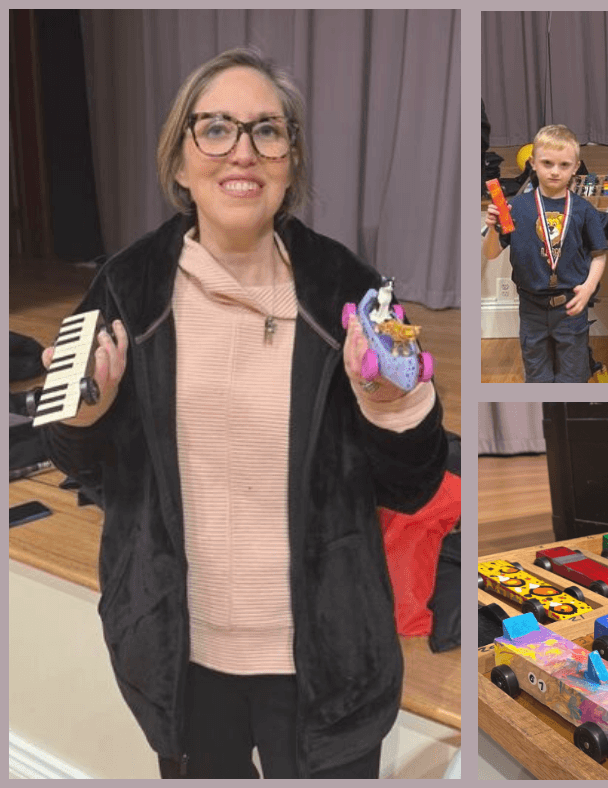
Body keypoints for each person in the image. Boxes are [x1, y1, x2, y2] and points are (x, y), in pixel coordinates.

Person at [40, 47, 448, 779]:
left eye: (268, 130)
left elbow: (415, 483)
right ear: (180, 160)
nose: (244, 151)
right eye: (217, 128)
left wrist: (397, 403)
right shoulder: (127, 286)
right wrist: (85, 413)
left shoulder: (348, 288)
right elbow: (73, 456)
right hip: (179, 658)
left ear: (290, 160)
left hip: (330, 666)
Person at [482, 124, 607, 382]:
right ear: (533, 163)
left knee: (573, 378)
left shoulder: (584, 210)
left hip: (570, 306)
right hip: (531, 307)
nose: (554, 171)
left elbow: (599, 255)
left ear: (576, 167)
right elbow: (492, 253)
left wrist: (588, 288)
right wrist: (493, 229)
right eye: (547, 163)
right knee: (537, 377)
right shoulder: (513, 207)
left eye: (564, 165)